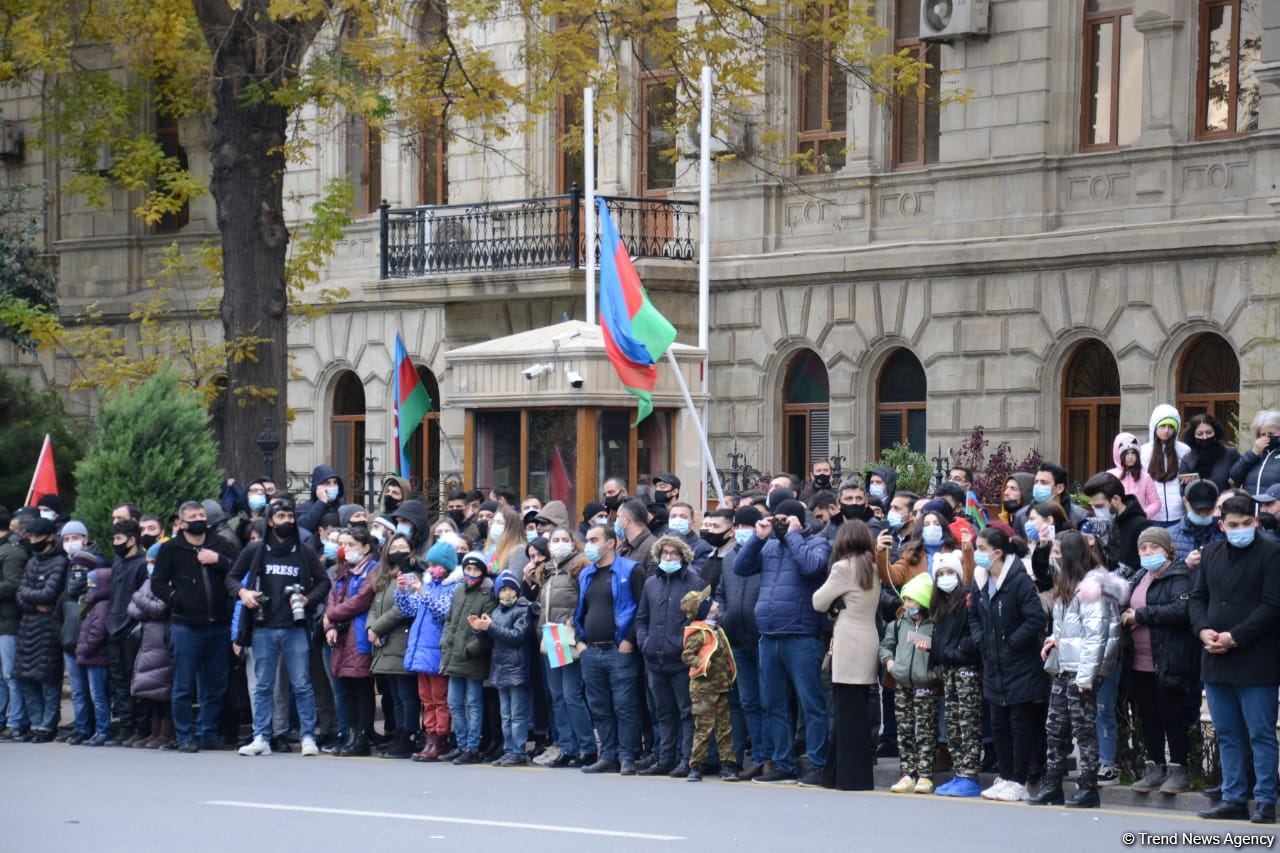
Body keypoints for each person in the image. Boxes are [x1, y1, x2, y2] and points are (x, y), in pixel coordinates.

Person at [1189, 495, 1280, 824]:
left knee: (1260, 733)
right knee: (1226, 733)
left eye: (1245, 524)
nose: (1239, 530)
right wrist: (1203, 632)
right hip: (1215, 657)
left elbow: (1272, 606)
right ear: (1221, 525)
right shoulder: (1211, 553)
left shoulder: (1272, 553)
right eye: (1233, 525)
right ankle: (1233, 797)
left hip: (1256, 660)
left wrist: (1235, 636)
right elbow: (1197, 599)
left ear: (1255, 522)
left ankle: (1266, 800)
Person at [734, 497, 832, 786]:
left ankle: (817, 765)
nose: (779, 524)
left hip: (801, 636)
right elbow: (741, 566)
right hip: (769, 636)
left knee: (810, 703)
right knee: (772, 704)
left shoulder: (816, 543)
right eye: (776, 519)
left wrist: (793, 536)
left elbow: (812, 567)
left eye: (784, 520)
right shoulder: (769, 546)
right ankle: (783, 764)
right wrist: (757, 537)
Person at [1030, 531, 1127, 809]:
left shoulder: (1093, 589)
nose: (1055, 555)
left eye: (1059, 550)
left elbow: (1097, 636)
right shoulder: (1068, 585)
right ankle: (1053, 784)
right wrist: (1054, 641)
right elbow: (1065, 626)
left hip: (1082, 671)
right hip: (1065, 667)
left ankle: (1088, 787)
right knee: (1055, 727)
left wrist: (1086, 676)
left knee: (1084, 730)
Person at [228, 497, 330, 757]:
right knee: (263, 685)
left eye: (289, 516)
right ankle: (261, 735)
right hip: (263, 627)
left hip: (295, 627)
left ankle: (308, 736)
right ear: (270, 520)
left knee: (302, 684)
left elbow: (323, 582)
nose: (286, 521)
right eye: (280, 517)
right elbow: (231, 577)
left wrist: (307, 600)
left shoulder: (304, 552)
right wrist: (243, 593)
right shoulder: (255, 550)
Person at [151, 501, 234, 753]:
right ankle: (185, 734)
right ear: (182, 522)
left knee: (216, 684)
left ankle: (208, 732)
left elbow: (239, 569)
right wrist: (177, 600)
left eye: (202, 514)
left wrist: (218, 559)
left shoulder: (220, 544)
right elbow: (158, 584)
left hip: (218, 624)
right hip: (187, 626)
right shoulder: (170, 549)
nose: (199, 518)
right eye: (193, 516)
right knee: (184, 684)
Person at [1121, 527, 1197, 795]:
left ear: (1167, 550)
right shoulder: (1141, 575)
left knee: (1172, 716)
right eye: (1143, 548)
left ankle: (1179, 770)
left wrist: (1140, 616)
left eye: (1154, 548)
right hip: (1140, 661)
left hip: (1168, 659)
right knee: (1148, 717)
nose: (1148, 553)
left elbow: (1181, 610)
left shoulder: (1178, 576)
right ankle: (1154, 768)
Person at [972, 526, 1046, 802]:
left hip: (1021, 664)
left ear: (998, 552)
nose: (977, 554)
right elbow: (974, 617)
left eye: (981, 549)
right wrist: (982, 641)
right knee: (999, 723)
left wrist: (1011, 642)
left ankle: (1020, 778)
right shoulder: (980, 579)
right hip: (993, 663)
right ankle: (1004, 776)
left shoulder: (1018, 580)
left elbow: (1035, 619)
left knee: (1020, 723)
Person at [812, 520, 879, 791]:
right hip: (868, 637)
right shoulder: (872, 567)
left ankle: (848, 778)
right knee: (856, 712)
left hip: (848, 641)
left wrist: (834, 607)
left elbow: (818, 600)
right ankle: (838, 774)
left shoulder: (842, 567)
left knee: (845, 712)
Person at [574, 523, 645, 775]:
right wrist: (580, 643)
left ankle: (627, 755)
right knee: (599, 705)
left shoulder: (631, 570)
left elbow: (642, 609)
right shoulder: (586, 574)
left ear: (611, 542)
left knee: (624, 705)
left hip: (620, 650)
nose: (589, 545)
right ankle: (608, 754)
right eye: (588, 540)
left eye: (595, 540)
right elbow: (580, 610)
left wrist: (630, 639)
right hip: (591, 651)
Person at [636, 535, 704, 778]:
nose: (669, 557)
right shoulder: (650, 584)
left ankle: (687, 760)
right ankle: (666, 758)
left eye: (674, 553)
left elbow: (699, 620)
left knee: (687, 711)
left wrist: (683, 645)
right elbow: (642, 617)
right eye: (665, 553)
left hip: (680, 660)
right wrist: (645, 643)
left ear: (683, 556)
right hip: (655, 658)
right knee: (663, 711)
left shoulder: (693, 581)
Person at [528, 527, 594, 768]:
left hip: (567, 636)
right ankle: (566, 746)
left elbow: (586, 601)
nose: (560, 543)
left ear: (573, 543)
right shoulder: (547, 571)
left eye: (564, 539)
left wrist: (576, 624)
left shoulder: (579, 568)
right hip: (549, 637)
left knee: (571, 694)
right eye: (555, 540)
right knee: (556, 695)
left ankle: (586, 747)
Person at [880, 573, 941, 794]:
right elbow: (886, 646)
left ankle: (925, 774)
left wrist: (934, 673)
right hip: (902, 684)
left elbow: (941, 655)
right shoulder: (897, 625)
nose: (905, 605)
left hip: (925, 684)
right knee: (904, 731)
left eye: (911, 600)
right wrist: (889, 663)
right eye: (905, 599)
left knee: (925, 730)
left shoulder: (935, 626)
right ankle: (907, 773)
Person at [323, 527, 381, 757]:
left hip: (358, 636)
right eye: (344, 545)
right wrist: (328, 625)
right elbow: (332, 598)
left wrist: (332, 616)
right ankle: (349, 734)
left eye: (352, 545)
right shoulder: (343, 571)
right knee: (346, 688)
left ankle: (362, 737)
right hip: (341, 635)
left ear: (366, 547)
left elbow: (361, 600)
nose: (346, 549)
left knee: (361, 687)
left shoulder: (374, 570)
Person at [929, 550, 983, 797]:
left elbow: (975, 635)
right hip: (949, 670)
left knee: (967, 722)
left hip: (966, 670)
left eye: (950, 572)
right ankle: (959, 772)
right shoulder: (939, 604)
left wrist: (960, 649)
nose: (945, 577)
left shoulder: (968, 599)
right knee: (952, 723)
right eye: (940, 574)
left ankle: (970, 774)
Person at [719, 506, 768, 777]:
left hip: (761, 637)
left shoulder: (767, 553)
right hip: (736, 638)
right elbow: (721, 591)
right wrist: (723, 612)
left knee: (767, 701)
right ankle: (757, 757)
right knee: (747, 701)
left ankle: (767, 757)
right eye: (736, 527)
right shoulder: (728, 560)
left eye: (745, 526)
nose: (740, 531)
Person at [472, 570, 537, 765]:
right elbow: (491, 641)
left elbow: (516, 636)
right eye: (503, 589)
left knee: (517, 714)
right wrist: (479, 630)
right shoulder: (496, 612)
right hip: (499, 668)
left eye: (510, 589)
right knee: (505, 714)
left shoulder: (523, 610)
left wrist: (490, 627)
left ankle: (518, 750)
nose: (506, 593)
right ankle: (509, 749)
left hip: (517, 667)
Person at [12, 517, 68, 743]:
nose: (32, 541)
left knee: (47, 679)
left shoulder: (60, 562)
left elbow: (49, 594)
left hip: (47, 629)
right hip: (28, 627)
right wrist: (35, 604)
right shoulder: (32, 561)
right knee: (26, 679)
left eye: (36, 537)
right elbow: (20, 593)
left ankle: (47, 725)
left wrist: (29, 598)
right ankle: (35, 723)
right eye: (30, 537)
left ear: (49, 537)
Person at [438, 551, 496, 764]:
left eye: (476, 570)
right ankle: (461, 744)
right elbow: (449, 620)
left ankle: (472, 746)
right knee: (454, 703)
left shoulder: (487, 594)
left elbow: (486, 627)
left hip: (472, 658)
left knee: (473, 703)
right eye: (468, 569)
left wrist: (470, 649)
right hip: (454, 656)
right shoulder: (459, 591)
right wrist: (445, 642)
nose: (471, 573)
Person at [365, 534, 420, 760]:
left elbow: (401, 609)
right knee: (395, 695)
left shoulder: (412, 575)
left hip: (401, 641)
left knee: (407, 695)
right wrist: (370, 628)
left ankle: (408, 735)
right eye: (394, 547)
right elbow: (374, 606)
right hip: (384, 644)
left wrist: (377, 628)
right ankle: (398, 733)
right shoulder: (384, 577)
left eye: (403, 546)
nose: (398, 550)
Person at [679, 586, 739, 782]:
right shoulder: (698, 633)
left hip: (721, 686)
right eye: (711, 603)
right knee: (703, 729)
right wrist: (702, 663)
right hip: (703, 689)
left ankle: (728, 765)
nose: (716, 604)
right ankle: (696, 765)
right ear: (703, 610)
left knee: (724, 728)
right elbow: (687, 656)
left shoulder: (716, 629)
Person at [104, 519, 148, 746]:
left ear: (132, 540)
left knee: (135, 680)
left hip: (132, 630)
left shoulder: (142, 565)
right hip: (113, 628)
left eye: (119, 539)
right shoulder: (118, 563)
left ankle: (141, 729)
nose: (115, 543)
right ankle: (125, 726)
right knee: (119, 681)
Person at [127, 544, 174, 749]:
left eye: (153, 562)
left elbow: (159, 608)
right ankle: (154, 732)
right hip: (148, 640)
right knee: (151, 690)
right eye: (148, 563)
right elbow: (132, 610)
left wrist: (138, 598)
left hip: (162, 639)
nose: (150, 567)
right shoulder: (148, 581)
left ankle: (166, 733)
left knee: (164, 688)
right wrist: (143, 606)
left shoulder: (169, 581)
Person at [1082, 472, 1151, 572]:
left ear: (1116, 499)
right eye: (1092, 506)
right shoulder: (1093, 523)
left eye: (1099, 506)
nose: (1096, 512)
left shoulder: (1141, 526)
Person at [75, 567, 113, 746]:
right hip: (92, 657)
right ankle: (99, 729)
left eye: (93, 585)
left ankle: (103, 730)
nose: (89, 588)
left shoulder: (102, 606)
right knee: (95, 695)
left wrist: (84, 649)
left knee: (98, 696)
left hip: (97, 658)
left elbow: (97, 633)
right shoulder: (94, 604)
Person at [0, 506, 28, 739]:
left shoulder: (12, 552)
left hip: (8, 622)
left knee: (11, 675)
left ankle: (16, 720)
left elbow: (12, 584)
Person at [1142, 405, 1191, 528]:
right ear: (1155, 426)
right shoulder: (1143, 451)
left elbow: (1188, 479)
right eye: (1162, 426)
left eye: (1171, 426)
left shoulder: (1184, 450)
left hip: (1178, 514)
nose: (1166, 430)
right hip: (1152, 514)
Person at [1014, 463, 1089, 530]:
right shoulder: (1021, 516)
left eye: (1044, 482)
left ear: (1059, 488)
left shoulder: (1080, 517)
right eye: (1036, 482)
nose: (1037, 486)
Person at [1180, 414, 1240, 492]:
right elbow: (1183, 491)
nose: (1205, 437)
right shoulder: (1187, 459)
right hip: (1198, 503)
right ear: (1193, 436)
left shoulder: (1230, 454)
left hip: (1226, 502)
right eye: (1200, 434)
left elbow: (1242, 477)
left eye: (1209, 432)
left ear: (1216, 432)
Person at [1169, 480, 1224, 565]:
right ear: (1185, 502)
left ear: (1217, 502)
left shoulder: (1225, 533)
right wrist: (1185, 565)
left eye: (1208, 510)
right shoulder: (1170, 536)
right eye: (1197, 510)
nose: (1203, 515)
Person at [1108, 432, 1162, 518]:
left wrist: (1142, 514)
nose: (1130, 457)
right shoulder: (1110, 476)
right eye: (1126, 453)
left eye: (1133, 453)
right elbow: (1101, 500)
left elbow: (1156, 503)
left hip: (1138, 524)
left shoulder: (1145, 477)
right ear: (1119, 455)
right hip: (1116, 524)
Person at [1230, 410, 1280, 498]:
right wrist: (1253, 453)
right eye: (1263, 434)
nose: (1266, 438)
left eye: (1271, 434)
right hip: (1251, 509)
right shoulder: (1254, 455)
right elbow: (1235, 476)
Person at [666, 502, 713, 577]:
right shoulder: (660, 543)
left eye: (683, 517)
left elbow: (697, 576)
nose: (677, 520)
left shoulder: (703, 547)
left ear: (692, 522)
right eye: (673, 516)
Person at [615, 498, 658, 576]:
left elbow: (650, 583)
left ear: (626, 519)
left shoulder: (654, 547)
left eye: (618, 517)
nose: (616, 521)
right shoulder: (623, 546)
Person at [298, 464, 345, 535]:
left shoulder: (343, 506)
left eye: (335, 482)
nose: (332, 486)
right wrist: (322, 502)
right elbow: (304, 528)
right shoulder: (303, 508)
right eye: (327, 483)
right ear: (318, 486)